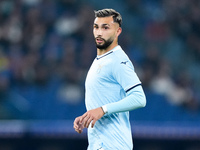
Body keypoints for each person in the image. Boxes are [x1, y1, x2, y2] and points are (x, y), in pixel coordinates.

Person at [73, 8, 146, 150]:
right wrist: (88, 116)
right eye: (96, 27)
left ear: (118, 31)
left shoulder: (118, 60)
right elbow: (103, 101)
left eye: (106, 28)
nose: (99, 32)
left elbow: (139, 98)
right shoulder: (100, 60)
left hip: (113, 145)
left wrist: (102, 110)